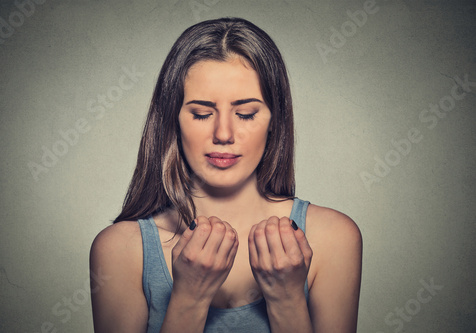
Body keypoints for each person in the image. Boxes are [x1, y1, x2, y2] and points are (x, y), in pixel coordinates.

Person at [90, 17, 362, 333]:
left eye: (245, 114)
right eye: (202, 114)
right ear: (173, 119)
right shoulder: (119, 250)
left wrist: (286, 301)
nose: (223, 133)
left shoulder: (333, 238)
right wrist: (188, 298)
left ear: (274, 119)